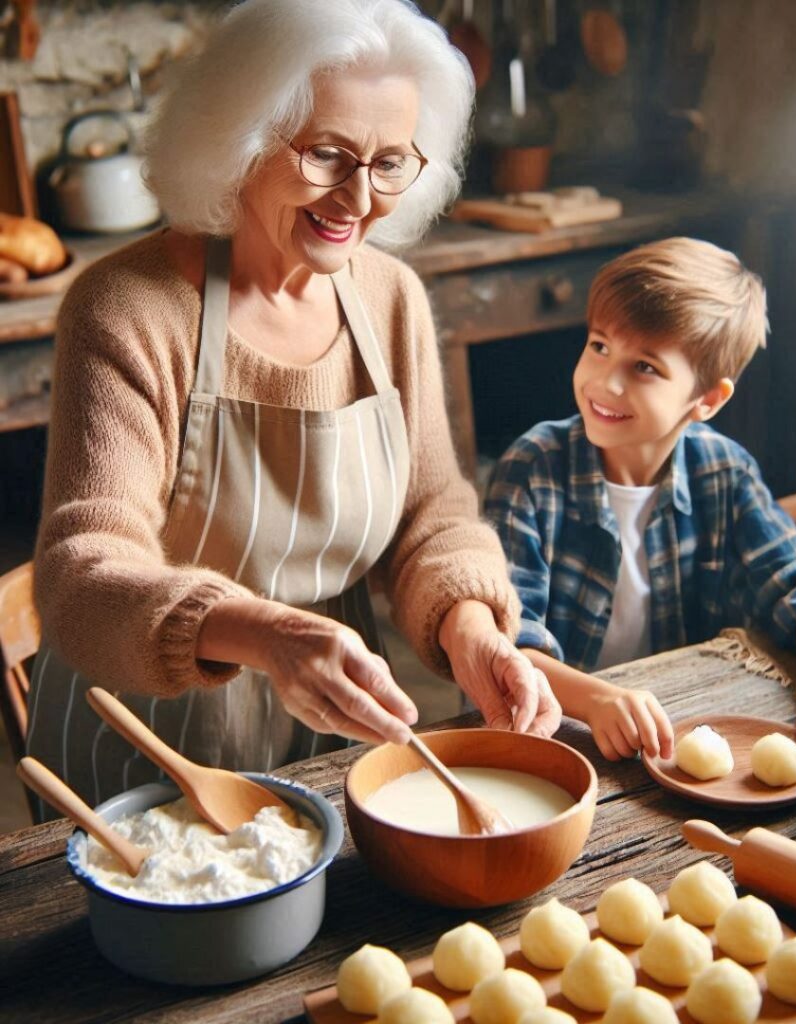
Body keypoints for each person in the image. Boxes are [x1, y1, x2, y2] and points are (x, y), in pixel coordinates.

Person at [26, 0, 559, 819]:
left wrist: (472, 629)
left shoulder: (391, 300)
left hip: (331, 744)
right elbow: (81, 574)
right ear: (238, 135)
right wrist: (267, 636)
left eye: (390, 163)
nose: (357, 198)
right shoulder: (129, 307)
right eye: (329, 154)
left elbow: (431, 513)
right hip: (140, 750)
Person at [485, 238, 796, 760]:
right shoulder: (533, 467)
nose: (605, 381)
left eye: (644, 367)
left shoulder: (723, 471)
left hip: (680, 727)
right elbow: (506, 641)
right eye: (599, 345)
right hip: (552, 729)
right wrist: (596, 700)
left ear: (707, 399)